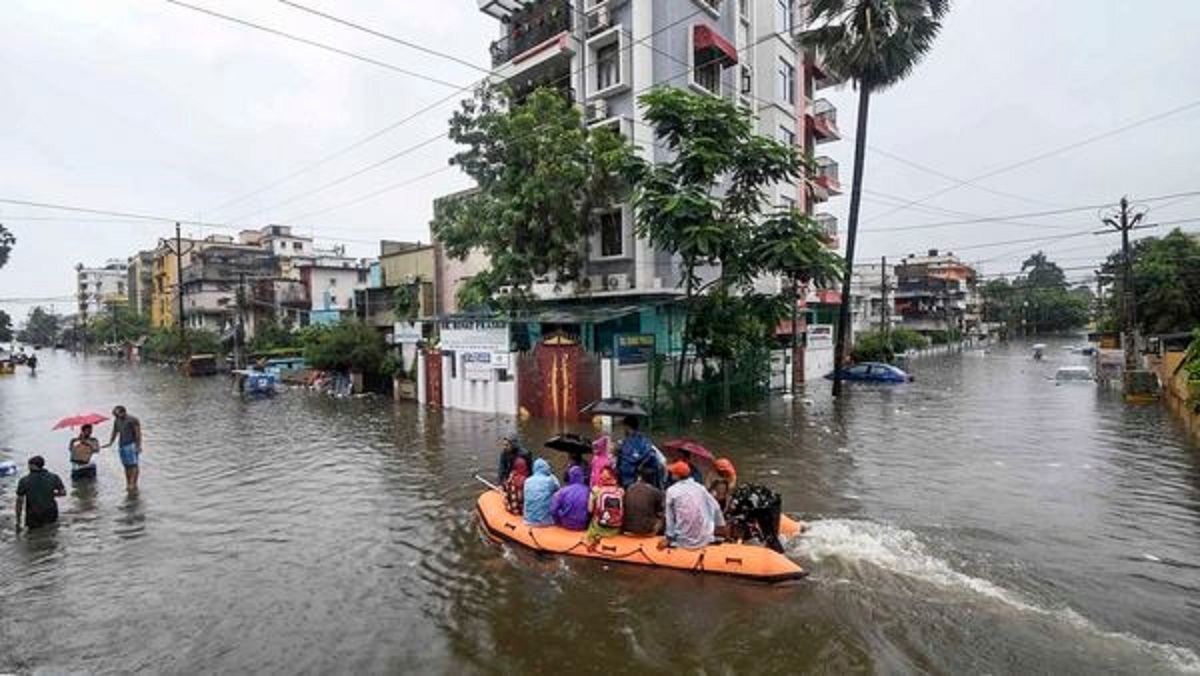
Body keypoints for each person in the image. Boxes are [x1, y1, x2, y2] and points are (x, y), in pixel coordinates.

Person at [659, 460, 725, 550]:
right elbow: (716, 507)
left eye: (673, 473)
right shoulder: (700, 488)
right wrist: (720, 525)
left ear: (677, 476)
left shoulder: (671, 491)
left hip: (683, 540)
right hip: (705, 537)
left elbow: (669, 518)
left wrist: (669, 537)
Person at [726, 483, 785, 553]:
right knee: (767, 535)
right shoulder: (737, 501)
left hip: (768, 505)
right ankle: (768, 544)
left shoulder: (737, 503)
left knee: (770, 537)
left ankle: (778, 554)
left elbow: (740, 522)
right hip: (759, 504)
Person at [14, 456, 66, 530]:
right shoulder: (54, 477)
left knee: (33, 537)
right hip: (51, 512)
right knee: (52, 533)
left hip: (33, 515)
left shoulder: (24, 480)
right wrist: (51, 494)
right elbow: (63, 493)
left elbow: (19, 501)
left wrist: (18, 521)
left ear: (32, 465)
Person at [103, 405, 142, 492]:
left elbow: (138, 434)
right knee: (126, 465)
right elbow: (115, 431)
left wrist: (138, 446)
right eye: (114, 415)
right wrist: (110, 442)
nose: (115, 416)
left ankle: (133, 483)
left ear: (123, 412)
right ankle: (128, 483)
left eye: (116, 414)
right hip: (122, 445)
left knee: (134, 465)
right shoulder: (117, 420)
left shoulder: (133, 420)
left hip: (131, 444)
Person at [622, 463, 665, 537]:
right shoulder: (655, 491)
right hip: (647, 530)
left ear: (639, 477)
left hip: (628, 528)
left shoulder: (629, 488)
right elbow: (661, 510)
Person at [586, 465, 624, 548]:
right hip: (615, 530)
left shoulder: (596, 490)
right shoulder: (621, 491)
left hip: (598, 529)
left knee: (592, 520)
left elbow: (590, 510)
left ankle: (593, 539)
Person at [616, 416, 658, 488]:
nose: (623, 429)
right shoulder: (643, 439)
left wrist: (618, 452)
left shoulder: (630, 442)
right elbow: (650, 454)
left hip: (629, 478)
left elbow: (629, 458)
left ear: (627, 426)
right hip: (637, 478)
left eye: (623, 426)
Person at [549, 465, 590, 531]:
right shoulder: (588, 490)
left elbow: (553, 510)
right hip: (582, 525)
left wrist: (557, 522)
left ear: (570, 476)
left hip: (566, 524)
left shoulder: (562, 491)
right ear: (582, 476)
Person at [522, 458, 559, 526]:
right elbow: (558, 488)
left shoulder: (527, 481)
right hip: (545, 521)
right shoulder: (550, 480)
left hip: (528, 520)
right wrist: (551, 475)